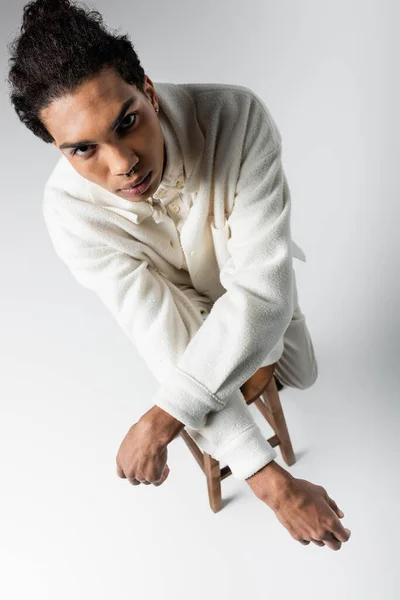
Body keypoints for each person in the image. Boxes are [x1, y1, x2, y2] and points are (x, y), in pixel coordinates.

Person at [7, 0, 351, 551]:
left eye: (127, 123)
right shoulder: (68, 212)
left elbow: (263, 294)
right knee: (183, 353)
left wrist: (160, 418)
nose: (122, 164)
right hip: (183, 319)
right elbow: (160, 337)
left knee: (303, 373)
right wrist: (271, 484)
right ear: (57, 149)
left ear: (147, 89)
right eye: (84, 149)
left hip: (255, 289)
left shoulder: (236, 116)